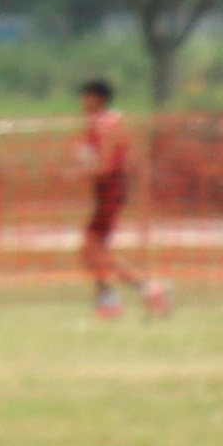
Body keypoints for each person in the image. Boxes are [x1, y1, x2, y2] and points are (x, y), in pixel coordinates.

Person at [73, 75, 156, 321]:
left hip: (109, 191)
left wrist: (81, 168)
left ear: (97, 98)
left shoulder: (105, 123)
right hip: (108, 192)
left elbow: (107, 166)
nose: (81, 101)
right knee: (91, 251)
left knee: (92, 250)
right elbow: (127, 157)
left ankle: (144, 290)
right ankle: (110, 299)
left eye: (85, 96)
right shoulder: (104, 122)